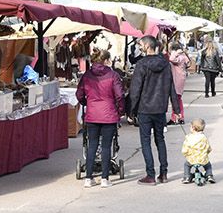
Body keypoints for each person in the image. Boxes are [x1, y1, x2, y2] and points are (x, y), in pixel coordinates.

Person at [128, 35, 174, 186]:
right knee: (160, 139)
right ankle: (164, 173)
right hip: (160, 107)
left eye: (140, 45)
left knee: (146, 141)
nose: (139, 47)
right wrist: (176, 108)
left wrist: (131, 109)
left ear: (147, 46)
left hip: (145, 108)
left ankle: (150, 175)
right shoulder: (165, 64)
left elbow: (135, 89)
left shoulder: (141, 64)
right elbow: (170, 87)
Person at [76, 48, 125, 188]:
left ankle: (88, 178)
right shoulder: (113, 75)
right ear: (106, 60)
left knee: (92, 145)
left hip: (92, 114)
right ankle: (105, 178)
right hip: (109, 114)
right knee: (106, 146)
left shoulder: (87, 76)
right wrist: (120, 110)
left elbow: (79, 94)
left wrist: (87, 102)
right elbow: (120, 95)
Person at [181, 118, 213, 185]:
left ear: (193, 128)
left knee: (186, 165)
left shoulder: (189, 138)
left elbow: (185, 149)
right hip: (202, 159)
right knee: (208, 166)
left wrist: (185, 154)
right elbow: (208, 147)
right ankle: (209, 175)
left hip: (192, 159)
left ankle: (187, 176)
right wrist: (207, 152)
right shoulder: (204, 137)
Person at [167, 42, 190, 123]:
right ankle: (179, 117)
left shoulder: (179, 57)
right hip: (180, 78)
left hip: (177, 79)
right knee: (178, 99)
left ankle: (176, 117)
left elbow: (171, 59)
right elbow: (188, 63)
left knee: (176, 99)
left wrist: (175, 53)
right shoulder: (183, 56)